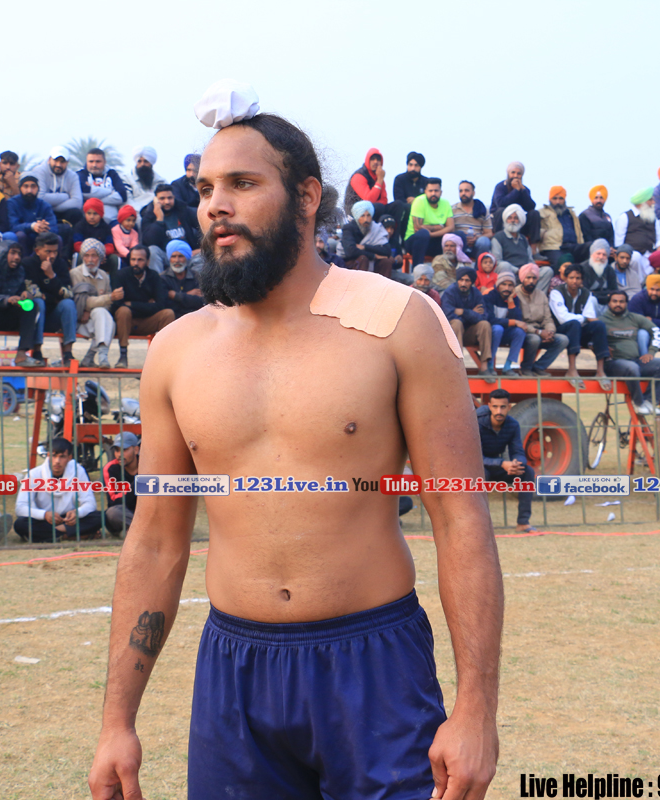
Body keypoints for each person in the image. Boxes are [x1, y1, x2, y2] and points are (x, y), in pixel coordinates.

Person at [89, 102, 501, 800]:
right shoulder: (177, 351)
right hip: (234, 674)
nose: (216, 205)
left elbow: (460, 518)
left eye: (243, 184)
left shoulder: (397, 321)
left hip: (375, 666)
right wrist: (115, 723)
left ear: (307, 196)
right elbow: (155, 538)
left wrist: (477, 712)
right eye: (206, 189)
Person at [15, 438, 101, 542]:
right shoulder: (34, 474)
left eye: (62, 457)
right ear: (48, 455)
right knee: (20, 524)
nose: (57, 461)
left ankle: (52, 534)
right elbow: (20, 508)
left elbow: (90, 503)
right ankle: (69, 535)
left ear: (69, 457)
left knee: (100, 517)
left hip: (69, 520)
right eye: (54, 456)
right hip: (44, 520)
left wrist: (77, 513)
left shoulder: (78, 471)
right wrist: (44, 514)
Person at [0, 240, 45, 368]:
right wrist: (6, 299)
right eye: (13, 253)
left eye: (19, 254)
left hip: (12, 318)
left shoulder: (20, 271)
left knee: (33, 306)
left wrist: (25, 295)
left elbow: (20, 292)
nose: (17, 257)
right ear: (2, 254)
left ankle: (22, 354)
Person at [601, 289, 660, 415]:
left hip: (635, 361)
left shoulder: (635, 318)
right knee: (632, 368)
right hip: (613, 363)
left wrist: (651, 352)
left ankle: (650, 402)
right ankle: (638, 403)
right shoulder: (601, 320)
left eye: (621, 301)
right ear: (609, 303)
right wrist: (602, 348)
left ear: (626, 303)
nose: (618, 304)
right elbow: (590, 338)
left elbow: (656, 332)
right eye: (615, 301)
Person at [477, 389, 534, 532]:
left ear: (509, 407)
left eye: (503, 407)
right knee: (480, 476)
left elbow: (518, 451)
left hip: (498, 466)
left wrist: (517, 464)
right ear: (489, 406)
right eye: (495, 407)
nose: (499, 411)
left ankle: (523, 523)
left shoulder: (513, 425)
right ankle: (478, 526)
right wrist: (502, 463)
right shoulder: (476, 423)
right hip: (477, 466)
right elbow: (474, 458)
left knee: (527, 472)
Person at [549, 264, 612, 389]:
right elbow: (562, 318)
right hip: (561, 331)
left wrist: (586, 318)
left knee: (598, 325)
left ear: (582, 280)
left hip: (578, 331)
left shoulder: (586, 293)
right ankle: (572, 370)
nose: (574, 281)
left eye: (578, 278)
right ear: (565, 278)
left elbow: (590, 316)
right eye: (571, 278)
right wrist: (584, 318)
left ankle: (600, 371)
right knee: (574, 324)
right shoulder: (556, 293)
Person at [111, 244, 175, 368]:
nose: (136, 263)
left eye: (140, 260)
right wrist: (147, 305)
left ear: (147, 261)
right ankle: (123, 356)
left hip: (147, 321)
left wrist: (131, 304)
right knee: (123, 311)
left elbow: (161, 305)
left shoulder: (154, 276)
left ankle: (163, 359)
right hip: (126, 322)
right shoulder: (121, 275)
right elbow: (117, 305)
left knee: (168, 313)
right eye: (133, 259)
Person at [24, 232, 79, 366]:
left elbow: (68, 294)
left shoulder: (60, 264)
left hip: (54, 316)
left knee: (68, 304)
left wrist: (52, 276)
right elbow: (33, 292)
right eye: (48, 251)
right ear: (37, 251)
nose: (52, 256)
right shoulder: (28, 264)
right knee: (38, 302)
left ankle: (68, 353)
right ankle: (37, 351)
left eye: (55, 251)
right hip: (32, 318)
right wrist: (54, 296)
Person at [71, 238, 121, 368]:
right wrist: (109, 298)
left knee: (107, 320)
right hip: (80, 320)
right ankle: (99, 356)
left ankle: (93, 357)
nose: (90, 259)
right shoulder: (75, 274)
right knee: (103, 317)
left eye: (94, 256)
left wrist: (92, 308)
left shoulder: (104, 276)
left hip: (96, 320)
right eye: (86, 256)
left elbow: (108, 305)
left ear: (100, 258)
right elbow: (83, 301)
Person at [513, 265, 568, 376]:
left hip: (541, 331)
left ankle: (538, 367)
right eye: (528, 278)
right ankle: (526, 368)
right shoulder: (514, 294)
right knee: (534, 339)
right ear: (522, 278)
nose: (531, 281)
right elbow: (517, 321)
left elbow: (547, 318)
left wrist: (550, 332)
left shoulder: (541, 295)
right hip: (523, 332)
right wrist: (538, 332)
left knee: (563, 339)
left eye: (534, 278)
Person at [440, 266, 494, 378]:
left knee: (485, 325)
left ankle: (484, 367)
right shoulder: (450, 292)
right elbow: (447, 315)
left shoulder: (476, 294)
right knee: (456, 323)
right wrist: (471, 313)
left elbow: (483, 316)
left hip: (470, 333)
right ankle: (457, 366)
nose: (463, 283)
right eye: (461, 280)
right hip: (453, 334)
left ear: (472, 282)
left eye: (467, 280)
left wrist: (463, 312)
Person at [140, 184, 203, 272]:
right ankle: (158, 280)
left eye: (170, 198)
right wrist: (159, 219)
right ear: (155, 200)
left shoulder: (184, 210)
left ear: (174, 197)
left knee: (203, 256)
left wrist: (200, 249)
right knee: (152, 250)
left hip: (188, 254)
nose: (167, 202)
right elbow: (149, 241)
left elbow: (204, 229)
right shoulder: (149, 216)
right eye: (162, 198)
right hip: (166, 257)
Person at [613, 187, 660, 280]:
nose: (653, 202)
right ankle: (640, 283)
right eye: (650, 200)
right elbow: (619, 243)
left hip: (650, 253)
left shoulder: (653, 218)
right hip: (632, 254)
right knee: (636, 256)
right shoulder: (625, 217)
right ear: (642, 203)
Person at [27, 146, 84, 228]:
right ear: (49, 159)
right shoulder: (39, 171)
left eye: (62, 162)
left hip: (61, 211)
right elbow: (40, 197)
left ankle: (74, 236)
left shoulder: (73, 176)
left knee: (76, 213)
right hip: (43, 212)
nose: (58, 165)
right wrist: (65, 196)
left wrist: (54, 208)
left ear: (67, 162)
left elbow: (77, 202)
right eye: (56, 160)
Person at [403, 178, 454, 264]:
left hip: (434, 240)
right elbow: (418, 228)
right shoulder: (419, 201)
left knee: (458, 236)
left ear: (441, 192)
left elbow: (451, 227)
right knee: (423, 233)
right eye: (430, 191)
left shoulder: (445, 203)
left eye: (436, 191)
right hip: (414, 241)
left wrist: (431, 233)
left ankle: (454, 269)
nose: (433, 193)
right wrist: (440, 227)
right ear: (425, 192)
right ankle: (417, 269)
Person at [484, 271, 526, 376]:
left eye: (510, 285)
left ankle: (508, 366)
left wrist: (510, 301)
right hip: (490, 332)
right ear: (498, 285)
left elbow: (518, 319)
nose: (507, 288)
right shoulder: (489, 295)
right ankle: (490, 365)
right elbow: (489, 319)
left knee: (520, 332)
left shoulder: (514, 298)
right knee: (498, 328)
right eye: (504, 284)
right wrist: (514, 322)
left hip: (506, 332)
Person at [490, 160, 539, 242]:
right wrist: (516, 191)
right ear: (508, 173)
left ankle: (534, 245)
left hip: (518, 222)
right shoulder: (500, 187)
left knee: (534, 213)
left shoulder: (524, 189)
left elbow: (531, 207)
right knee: (500, 210)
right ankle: (497, 240)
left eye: (519, 173)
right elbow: (501, 203)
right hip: (502, 222)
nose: (515, 176)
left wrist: (523, 191)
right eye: (513, 172)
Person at [7, 175, 59, 252]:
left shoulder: (44, 205)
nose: (30, 190)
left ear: (38, 189)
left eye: (33, 186)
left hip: (41, 237)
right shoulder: (12, 203)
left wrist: (42, 228)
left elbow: (54, 227)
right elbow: (13, 226)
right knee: (20, 235)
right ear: (20, 188)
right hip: (24, 237)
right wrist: (32, 226)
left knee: (57, 238)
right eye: (26, 186)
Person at [341, 200, 393, 276]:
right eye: (362, 216)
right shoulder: (349, 228)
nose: (366, 219)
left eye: (368, 215)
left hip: (372, 263)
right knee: (363, 258)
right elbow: (350, 251)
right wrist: (374, 256)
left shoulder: (376, 228)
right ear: (357, 217)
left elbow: (387, 250)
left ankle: (383, 284)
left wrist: (365, 247)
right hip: (352, 264)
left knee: (386, 262)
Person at [102, 432, 140, 535]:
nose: (119, 454)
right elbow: (114, 501)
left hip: (147, 511)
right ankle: (142, 530)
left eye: (124, 450)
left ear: (136, 450)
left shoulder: (148, 465)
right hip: (125, 513)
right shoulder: (110, 469)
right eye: (117, 450)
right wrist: (137, 484)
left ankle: (132, 531)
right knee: (113, 513)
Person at [77, 148, 128, 223]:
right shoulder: (80, 175)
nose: (94, 165)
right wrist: (110, 192)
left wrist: (92, 200)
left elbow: (122, 196)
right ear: (86, 162)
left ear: (105, 162)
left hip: (112, 220)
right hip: (88, 222)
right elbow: (84, 191)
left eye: (98, 162)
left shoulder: (112, 174)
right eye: (91, 161)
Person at [537, 186, 583, 266]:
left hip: (574, 246)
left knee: (593, 249)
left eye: (561, 198)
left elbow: (579, 232)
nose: (558, 202)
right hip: (554, 247)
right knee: (562, 265)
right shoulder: (541, 212)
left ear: (564, 199)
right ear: (550, 199)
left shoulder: (572, 214)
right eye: (554, 198)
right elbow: (535, 231)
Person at [162, 240, 205, 318]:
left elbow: (201, 302)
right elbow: (166, 304)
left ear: (186, 258)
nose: (177, 260)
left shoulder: (196, 276)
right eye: (173, 256)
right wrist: (188, 295)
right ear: (169, 258)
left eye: (181, 256)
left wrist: (175, 296)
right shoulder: (163, 277)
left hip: (194, 316)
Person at [72, 198, 117, 272]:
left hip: (102, 258)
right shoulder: (79, 226)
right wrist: (92, 254)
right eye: (89, 213)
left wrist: (99, 255)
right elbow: (77, 245)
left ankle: (114, 279)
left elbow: (110, 246)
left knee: (114, 258)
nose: (92, 217)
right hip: (85, 256)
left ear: (101, 214)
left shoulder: (106, 228)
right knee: (78, 256)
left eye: (95, 213)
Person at [452, 180, 492, 258]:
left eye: (466, 190)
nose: (463, 193)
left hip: (476, 243)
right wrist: (463, 237)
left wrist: (476, 238)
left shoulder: (482, 210)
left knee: (484, 241)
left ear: (473, 193)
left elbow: (489, 233)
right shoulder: (452, 209)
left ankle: (479, 264)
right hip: (458, 243)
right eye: (461, 191)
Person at [343, 147, 387, 216]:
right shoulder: (358, 176)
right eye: (372, 159)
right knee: (379, 207)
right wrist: (379, 181)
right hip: (355, 213)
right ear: (368, 160)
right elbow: (368, 200)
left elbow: (384, 200)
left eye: (378, 159)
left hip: (373, 209)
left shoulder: (379, 176)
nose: (375, 162)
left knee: (397, 206)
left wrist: (380, 179)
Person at [125, 145, 168, 214]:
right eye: (139, 161)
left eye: (146, 161)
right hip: (134, 214)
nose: (142, 164)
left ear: (151, 163)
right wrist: (142, 211)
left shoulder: (161, 182)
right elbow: (127, 200)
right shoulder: (127, 179)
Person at [491, 204, 532, 274]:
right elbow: (497, 261)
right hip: (508, 271)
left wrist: (529, 270)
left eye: (516, 218)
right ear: (505, 220)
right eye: (509, 218)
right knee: (504, 265)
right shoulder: (498, 237)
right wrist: (517, 270)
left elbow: (530, 260)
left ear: (520, 221)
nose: (512, 220)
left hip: (525, 273)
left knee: (547, 271)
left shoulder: (524, 239)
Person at [579, 238, 619, 309]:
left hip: (607, 304)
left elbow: (614, 291)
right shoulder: (582, 268)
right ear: (592, 254)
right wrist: (606, 295)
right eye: (598, 253)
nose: (601, 257)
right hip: (588, 304)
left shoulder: (610, 270)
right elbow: (585, 293)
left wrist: (595, 293)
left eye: (604, 255)